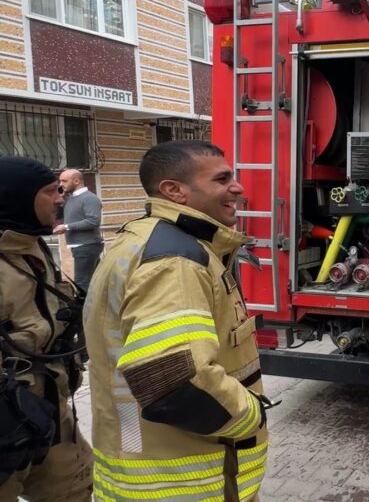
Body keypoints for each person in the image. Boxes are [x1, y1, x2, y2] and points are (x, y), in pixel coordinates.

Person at [84, 141, 269, 501]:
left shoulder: (142, 238)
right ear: (174, 191)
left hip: (144, 458)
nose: (238, 188)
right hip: (184, 480)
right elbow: (174, 380)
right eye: (222, 179)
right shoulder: (176, 261)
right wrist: (251, 414)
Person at [0, 157, 92, 501]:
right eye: (51, 191)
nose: (60, 199)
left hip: (51, 408)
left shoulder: (31, 243)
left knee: (75, 489)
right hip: (8, 420)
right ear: (19, 197)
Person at [52, 169, 103, 294]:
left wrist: (66, 227)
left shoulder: (89, 198)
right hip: (81, 246)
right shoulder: (70, 199)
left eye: (64, 181)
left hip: (87, 245)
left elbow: (93, 221)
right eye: (60, 181)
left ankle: (84, 307)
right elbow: (59, 215)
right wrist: (60, 198)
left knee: (81, 283)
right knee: (94, 280)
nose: (61, 184)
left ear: (76, 181)